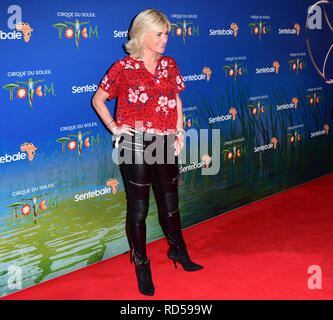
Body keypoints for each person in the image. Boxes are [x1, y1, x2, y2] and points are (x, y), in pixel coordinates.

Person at [92, 8, 203, 296]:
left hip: (164, 142)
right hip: (134, 143)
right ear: (142, 36)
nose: (165, 38)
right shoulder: (122, 68)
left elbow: (176, 100)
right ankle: (141, 263)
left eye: (166, 33)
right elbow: (99, 99)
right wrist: (114, 127)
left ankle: (178, 251)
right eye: (159, 33)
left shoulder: (170, 65)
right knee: (139, 208)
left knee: (171, 205)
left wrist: (179, 131)